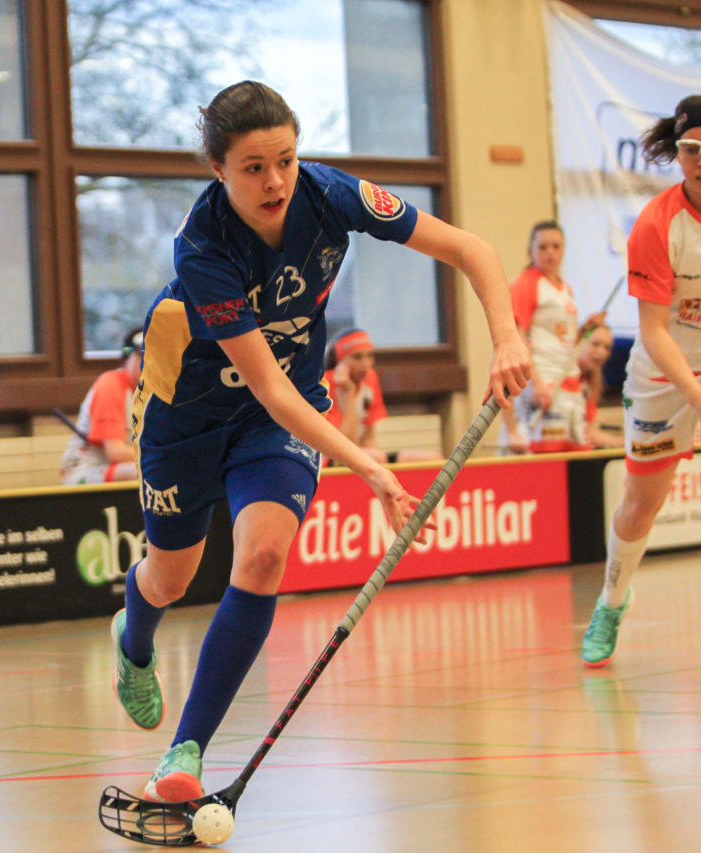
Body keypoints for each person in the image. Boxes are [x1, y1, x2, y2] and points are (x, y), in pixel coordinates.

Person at [110, 80, 530, 802]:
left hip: (281, 413)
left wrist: (507, 336)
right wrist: (369, 467)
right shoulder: (202, 248)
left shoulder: (332, 194)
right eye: (252, 167)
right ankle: (133, 634)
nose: (275, 180)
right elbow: (263, 381)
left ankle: (186, 751)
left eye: (286, 159)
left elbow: (472, 250)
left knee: (266, 553)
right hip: (188, 413)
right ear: (218, 170)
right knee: (170, 576)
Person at [581, 94, 701, 668]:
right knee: (641, 505)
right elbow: (654, 331)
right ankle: (612, 601)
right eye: (691, 150)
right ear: (678, 155)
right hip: (664, 375)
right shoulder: (656, 225)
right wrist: (698, 398)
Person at [500, 221, 605, 454]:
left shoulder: (566, 289)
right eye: (543, 246)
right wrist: (536, 383)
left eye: (556, 246)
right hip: (544, 382)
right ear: (531, 250)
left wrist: (586, 329)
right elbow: (518, 337)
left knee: (575, 452)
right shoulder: (526, 284)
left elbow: (564, 341)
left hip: (568, 381)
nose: (550, 252)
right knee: (545, 456)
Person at [322, 326, 443, 465]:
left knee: (433, 459)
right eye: (357, 357)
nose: (366, 364)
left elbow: (369, 436)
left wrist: (381, 470)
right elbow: (343, 445)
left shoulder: (370, 378)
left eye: (370, 355)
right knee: (376, 458)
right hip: (330, 458)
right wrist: (348, 393)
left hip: (363, 454)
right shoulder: (326, 383)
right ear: (340, 361)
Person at [60, 326, 143, 485]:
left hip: (121, 468)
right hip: (84, 472)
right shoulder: (111, 385)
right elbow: (116, 453)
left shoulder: (156, 393)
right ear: (127, 358)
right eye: (141, 356)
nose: (148, 363)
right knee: (147, 471)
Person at [577, 320, 623, 450]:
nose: (601, 352)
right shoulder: (564, 377)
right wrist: (628, 444)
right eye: (595, 344)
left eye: (607, 348)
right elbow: (587, 434)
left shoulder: (590, 382)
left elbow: (589, 430)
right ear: (580, 342)